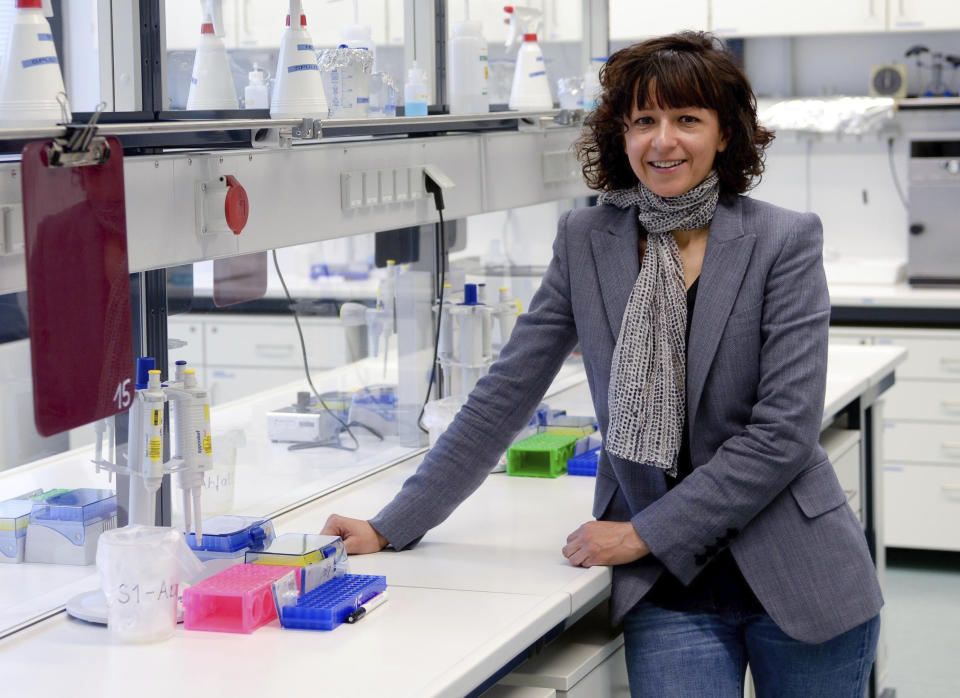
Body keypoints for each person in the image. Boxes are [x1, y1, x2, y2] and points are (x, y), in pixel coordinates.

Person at [322, 32, 881, 697]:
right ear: (620, 133)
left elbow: (782, 435)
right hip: (671, 591)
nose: (662, 141)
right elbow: (505, 395)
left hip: (797, 572)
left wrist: (643, 534)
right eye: (643, 120)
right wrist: (393, 524)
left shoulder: (783, 241)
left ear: (726, 135)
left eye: (687, 120)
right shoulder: (589, 241)